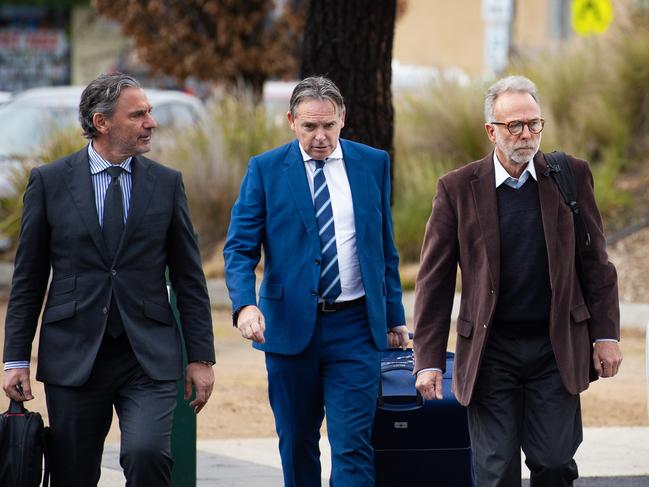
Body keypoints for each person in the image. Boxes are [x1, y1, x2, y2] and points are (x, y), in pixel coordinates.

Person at [2, 73, 215, 487]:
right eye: (138, 115)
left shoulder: (167, 184)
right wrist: (15, 359)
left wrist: (201, 358)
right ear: (102, 123)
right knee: (73, 473)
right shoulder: (49, 182)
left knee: (148, 453)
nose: (151, 122)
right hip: (74, 354)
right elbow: (28, 278)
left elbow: (190, 278)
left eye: (149, 113)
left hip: (147, 355)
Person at [413, 75, 622, 486]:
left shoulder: (570, 176)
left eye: (534, 124)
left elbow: (595, 262)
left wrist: (606, 335)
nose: (527, 134)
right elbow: (433, 281)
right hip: (491, 352)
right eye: (515, 126)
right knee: (495, 472)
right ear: (491, 130)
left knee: (556, 463)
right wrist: (429, 360)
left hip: (555, 346)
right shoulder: (457, 188)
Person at [223, 76, 409, 486]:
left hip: (356, 327)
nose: (320, 136)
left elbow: (384, 246)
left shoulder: (372, 163)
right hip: (288, 328)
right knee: (296, 442)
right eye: (309, 127)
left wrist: (393, 315)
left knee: (354, 446)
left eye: (328, 125)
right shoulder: (266, 170)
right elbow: (238, 249)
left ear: (343, 118)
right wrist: (244, 304)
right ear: (291, 121)